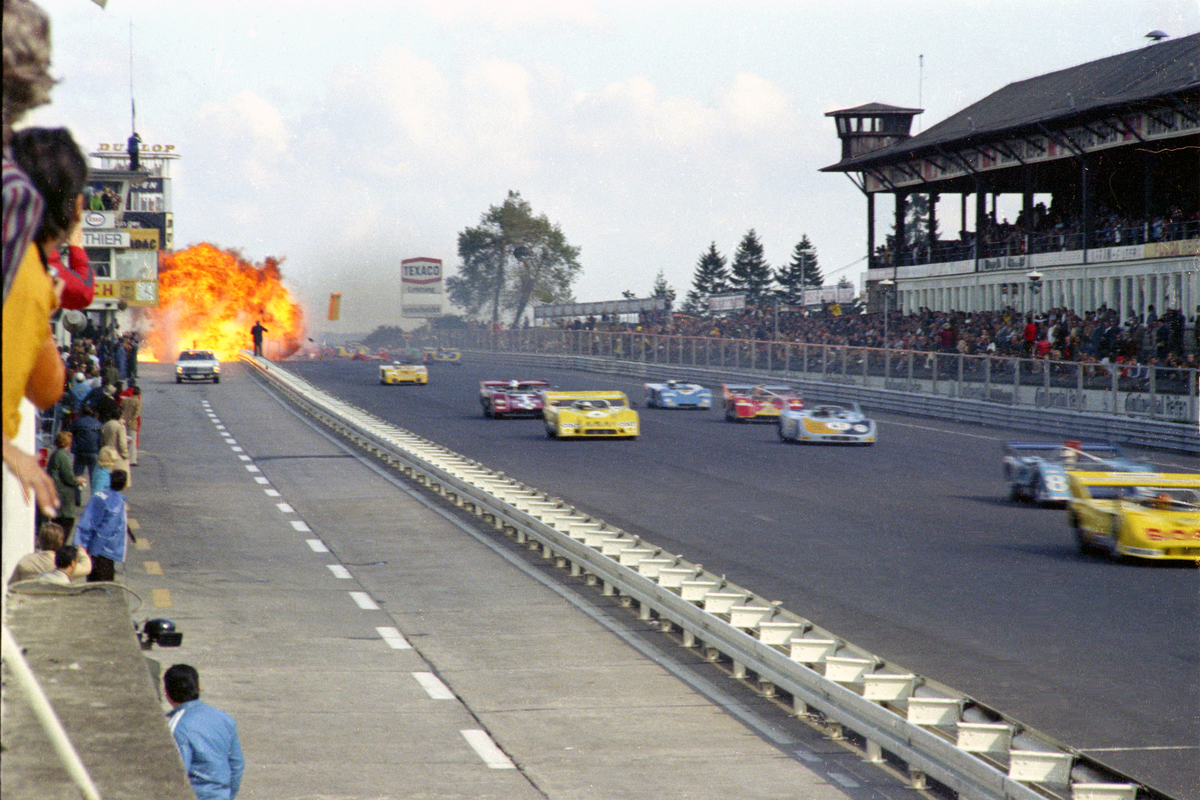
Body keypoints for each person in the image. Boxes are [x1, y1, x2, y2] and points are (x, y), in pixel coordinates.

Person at [163, 664, 244, 800]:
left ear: (167, 693)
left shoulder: (177, 727)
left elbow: (176, 775)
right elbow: (237, 765)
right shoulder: (224, 719)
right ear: (198, 687)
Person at [73, 467, 130, 582]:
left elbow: (87, 521)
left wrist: (82, 545)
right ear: (124, 485)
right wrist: (95, 551)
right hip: (104, 552)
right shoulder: (117, 503)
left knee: (92, 583)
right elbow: (106, 530)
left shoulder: (100, 495)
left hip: (93, 550)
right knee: (102, 586)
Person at [45, 429, 80, 534]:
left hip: (56, 492)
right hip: (63, 494)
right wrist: (78, 480)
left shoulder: (56, 454)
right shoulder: (63, 456)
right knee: (66, 524)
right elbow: (68, 477)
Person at [120, 383, 141, 466]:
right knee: (132, 441)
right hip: (132, 422)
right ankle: (132, 460)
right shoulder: (138, 402)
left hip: (124, 421)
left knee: (123, 440)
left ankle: (123, 457)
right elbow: (137, 414)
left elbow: (120, 407)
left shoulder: (125, 400)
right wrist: (133, 419)